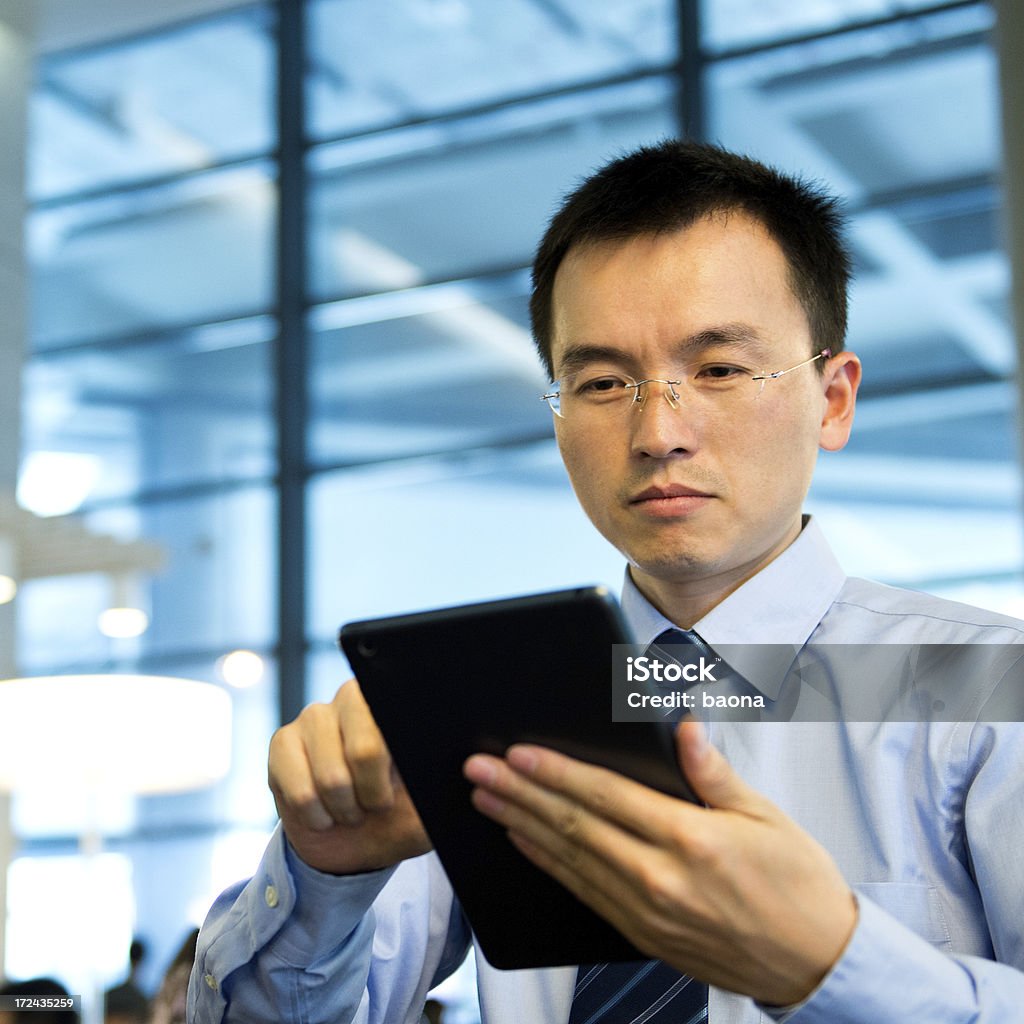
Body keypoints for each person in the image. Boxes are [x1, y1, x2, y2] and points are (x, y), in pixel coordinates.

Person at [187, 140, 1024, 1023]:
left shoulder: (982, 685)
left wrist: (832, 960)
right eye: (601, 380)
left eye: (720, 370)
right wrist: (327, 876)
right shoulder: (501, 709)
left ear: (834, 398)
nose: (658, 429)